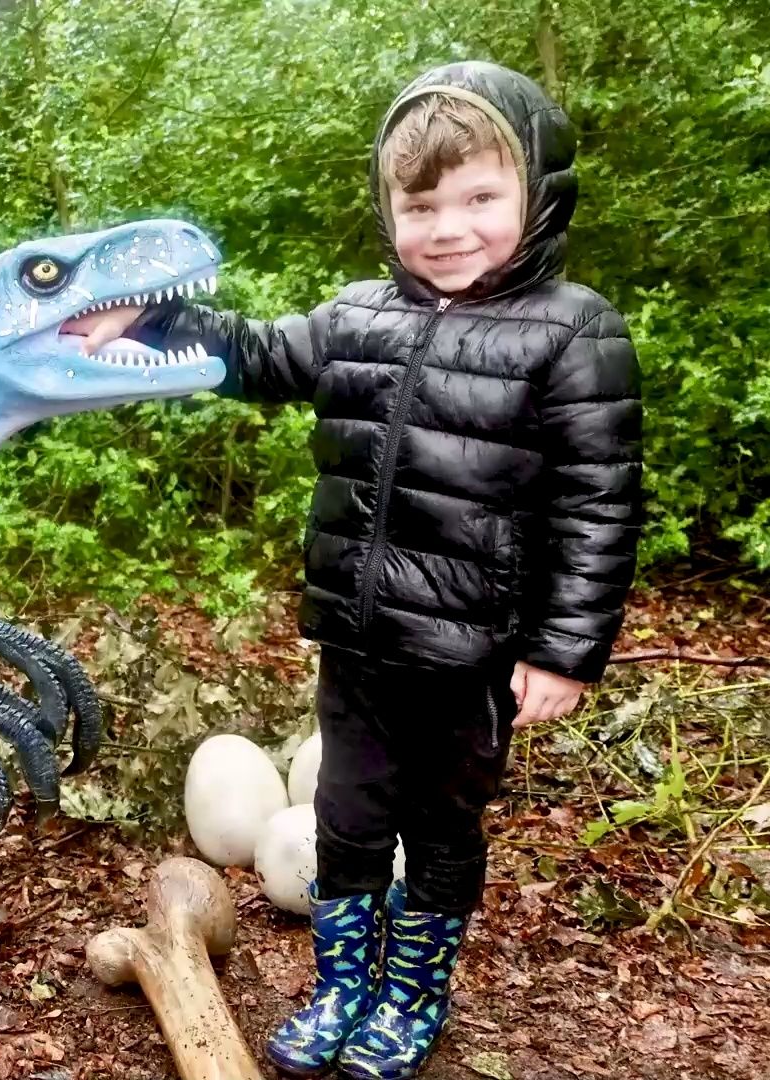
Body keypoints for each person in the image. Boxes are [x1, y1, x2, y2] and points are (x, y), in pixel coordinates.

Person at [67, 61, 642, 1079]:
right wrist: (149, 321)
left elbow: (600, 502)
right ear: (390, 211)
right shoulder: (356, 315)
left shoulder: (573, 330)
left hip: (472, 656)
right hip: (360, 641)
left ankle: (412, 995)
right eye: (421, 204)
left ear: (538, 194)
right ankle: (344, 987)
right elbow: (252, 354)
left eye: (480, 198)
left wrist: (565, 652)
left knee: (442, 826)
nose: (448, 227)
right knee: (347, 818)